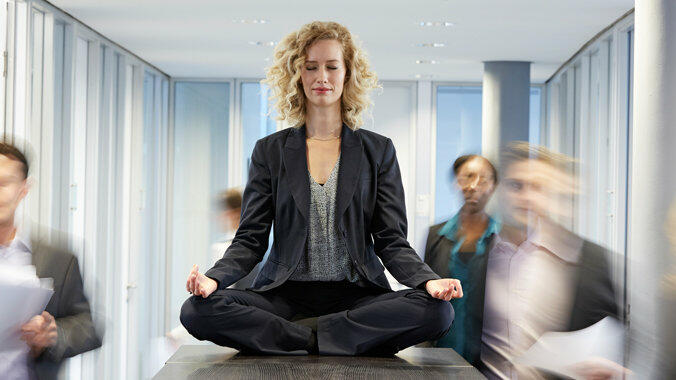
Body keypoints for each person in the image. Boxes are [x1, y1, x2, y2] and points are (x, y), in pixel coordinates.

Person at [180, 21, 462, 356]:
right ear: (297, 74)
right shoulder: (269, 151)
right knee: (196, 310)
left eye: (332, 66)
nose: (322, 77)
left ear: (348, 73)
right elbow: (250, 239)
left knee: (438, 311)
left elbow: (391, 239)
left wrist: (428, 281)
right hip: (285, 296)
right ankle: (322, 339)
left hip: (357, 297)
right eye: (310, 67)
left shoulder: (378, 150)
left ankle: (302, 337)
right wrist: (213, 280)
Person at [465, 142, 620, 379]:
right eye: (516, 186)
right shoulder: (478, 254)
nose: (526, 197)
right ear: (499, 190)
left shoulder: (582, 259)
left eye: (537, 187)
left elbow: (623, 335)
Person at [0, 139, 101, 379]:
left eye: (4, 183)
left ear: (24, 188)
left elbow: (89, 327)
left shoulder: (58, 259)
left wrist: (55, 335)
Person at [423, 154, 499, 359]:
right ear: (457, 182)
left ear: (493, 186)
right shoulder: (436, 235)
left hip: (489, 359)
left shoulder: (504, 240)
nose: (474, 185)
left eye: (483, 179)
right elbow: (424, 295)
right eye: (467, 176)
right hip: (441, 355)